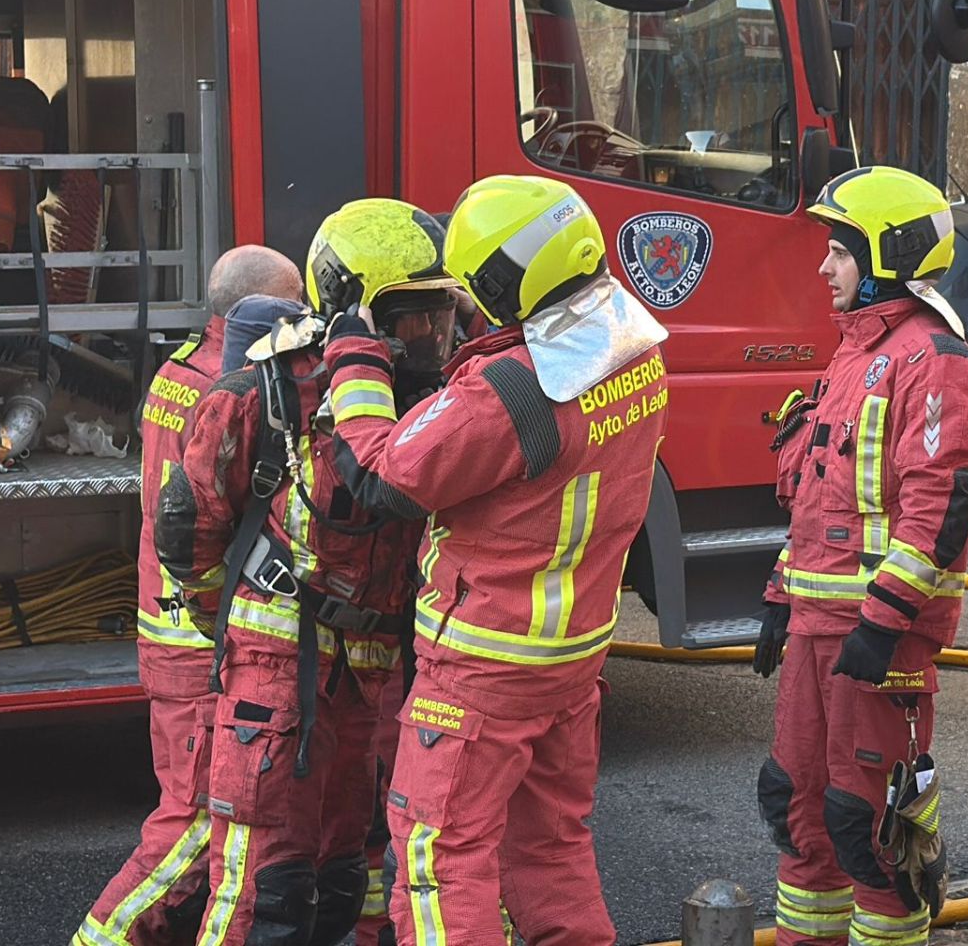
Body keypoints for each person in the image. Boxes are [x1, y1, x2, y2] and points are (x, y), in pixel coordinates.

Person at [321, 174, 668, 945]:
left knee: (436, 857)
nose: (463, 307)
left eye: (470, 288)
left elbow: (383, 476)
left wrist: (353, 359)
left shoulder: (507, 389)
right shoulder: (633, 350)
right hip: (571, 660)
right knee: (549, 849)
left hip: (484, 663)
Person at [158, 200, 460, 946]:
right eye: (412, 316)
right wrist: (225, 629)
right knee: (263, 883)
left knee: (339, 874)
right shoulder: (267, 392)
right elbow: (187, 524)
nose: (432, 335)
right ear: (355, 309)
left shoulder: (441, 400)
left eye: (440, 314)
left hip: (365, 670)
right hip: (271, 665)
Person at [753, 166, 968, 946]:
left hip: (875, 643)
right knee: (798, 807)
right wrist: (778, 603)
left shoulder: (934, 362)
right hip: (818, 632)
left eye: (839, 252)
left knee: (872, 830)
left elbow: (938, 511)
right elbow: (818, 501)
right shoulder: (856, 355)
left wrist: (884, 625)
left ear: (887, 255)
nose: (824, 268)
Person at [74, 245, 301, 946]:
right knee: (199, 822)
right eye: (291, 311)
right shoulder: (230, 386)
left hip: (170, 628)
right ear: (254, 312)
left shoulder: (179, 370)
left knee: (196, 816)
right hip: (201, 639)